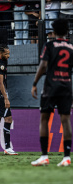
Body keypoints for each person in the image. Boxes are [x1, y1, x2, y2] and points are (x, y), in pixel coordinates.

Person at [31, 19, 72, 167]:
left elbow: (43, 66)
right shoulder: (71, 47)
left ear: (53, 32)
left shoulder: (49, 45)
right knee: (66, 121)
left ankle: (44, 156)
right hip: (66, 86)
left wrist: (35, 83)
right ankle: (67, 157)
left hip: (50, 86)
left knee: (44, 119)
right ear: (67, 31)